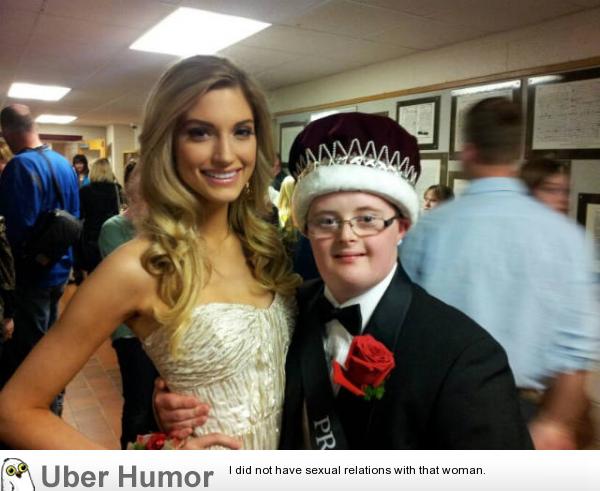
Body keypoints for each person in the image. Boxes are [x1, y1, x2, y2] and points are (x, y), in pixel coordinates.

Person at [156, 113, 532, 449]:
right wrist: (179, 408)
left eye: (367, 219)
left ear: (401, 227)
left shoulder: (465, 356)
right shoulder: (285, 308)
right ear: (306, 229)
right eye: (327, 221)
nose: (346, 236)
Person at [0, 55, 298, 449]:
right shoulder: (137, 266)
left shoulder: (264, 246)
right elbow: (14, 411)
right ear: (167, 144)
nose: (226, 154)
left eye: (242, 131)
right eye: (200, 133)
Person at [400, 97, 599, 449]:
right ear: (518, 153)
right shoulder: (567, 237)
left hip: (439, 410)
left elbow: (402, 325)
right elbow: (575, 350)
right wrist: (555, 423)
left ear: (468, 153)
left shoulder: (428, 231)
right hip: (527, 415)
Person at [0, 104, 79, 417]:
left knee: (31, 350)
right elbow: (74, 217)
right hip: (60, 269)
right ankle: (54, 403)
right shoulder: (64, 164)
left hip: (33, 274)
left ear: (8, 132)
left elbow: (17, 229)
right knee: (51, 341)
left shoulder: (20, 167)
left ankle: (39, 414)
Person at [98, 161, 159, 449]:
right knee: (138, 406)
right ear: (129, 189)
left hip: (165, 331)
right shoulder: (113, 228)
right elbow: (132, 287)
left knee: (160, 407)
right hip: (130, 334)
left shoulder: (167, 227)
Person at [78, 158, 122, 273]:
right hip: (112, 233)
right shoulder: (116, 189)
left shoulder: (84, 191)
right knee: (111, 270)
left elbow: (80, 214)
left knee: (93, 271)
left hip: (91, 236)